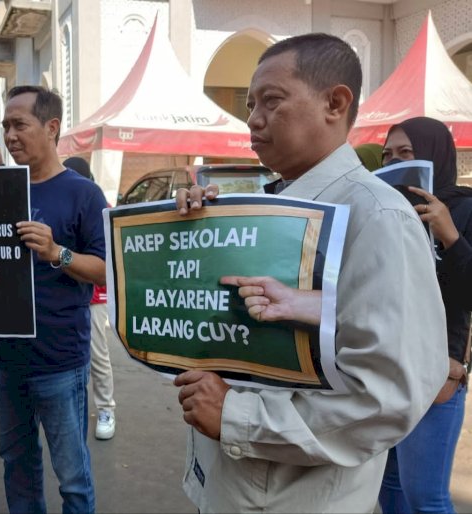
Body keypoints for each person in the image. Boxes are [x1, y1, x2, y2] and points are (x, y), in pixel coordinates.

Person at [173, 34, 448, 513]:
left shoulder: (379, 216)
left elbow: (386, 398)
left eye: (272, 101)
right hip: (228, 486)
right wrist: (203, 236)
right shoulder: (267, 208)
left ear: (335, 103)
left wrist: (236, 416)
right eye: (250, 104)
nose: (253, 119)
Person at [0, 86, 107, 513]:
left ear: (51, 128)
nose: (10, 136)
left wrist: (58, 253)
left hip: (59, 357)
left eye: (20, 125)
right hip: (8, 355)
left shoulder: (82, 194)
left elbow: (107, 270)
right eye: (5, 127)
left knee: (71, 475)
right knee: (17, 462)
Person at [377, 116, 472, 513]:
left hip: (438, 368)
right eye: (387, 156)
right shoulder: (385, 211)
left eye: (406, 153)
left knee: (425, 497)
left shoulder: (465, 208)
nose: (393, 161)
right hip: (386, 365)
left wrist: (449, 234)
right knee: (390, 488)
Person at [63, 156, 117, 440]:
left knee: (97, 355)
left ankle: (106, 408)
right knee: (72, 361)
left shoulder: (98, 206)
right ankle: (76, 408)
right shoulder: (66, 201)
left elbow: (104, 259)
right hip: (68, 292)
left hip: (94, 296)